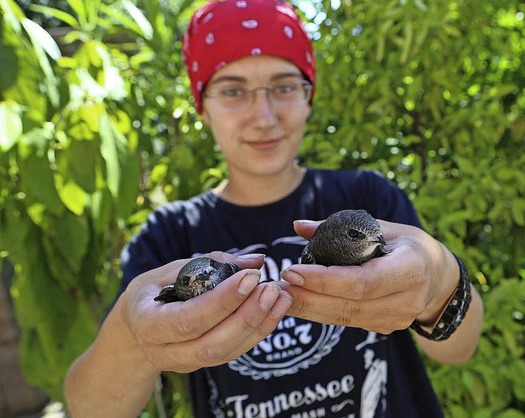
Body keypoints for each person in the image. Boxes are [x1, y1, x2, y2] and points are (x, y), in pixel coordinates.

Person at [64, 0, 484, 417]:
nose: (263, 116)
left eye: (284, 87)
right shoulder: (171, 233)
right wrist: (129, 332)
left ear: (308, 97)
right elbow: (93, 410)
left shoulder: (368, 197)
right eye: (233, 90)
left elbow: (459, 348)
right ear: (202, 106)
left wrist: (440, 278)